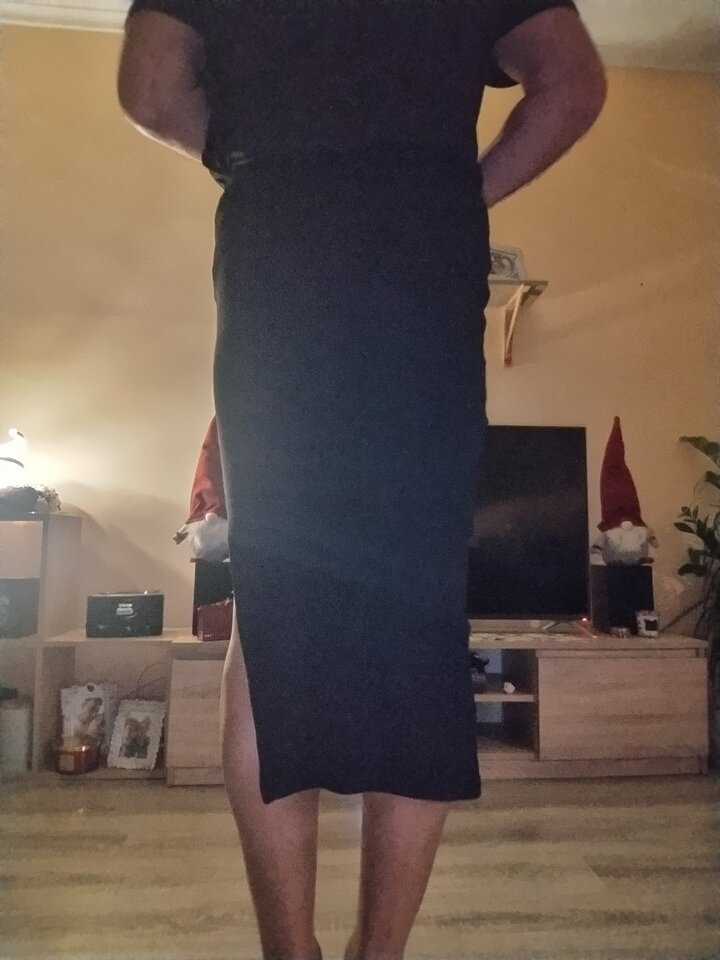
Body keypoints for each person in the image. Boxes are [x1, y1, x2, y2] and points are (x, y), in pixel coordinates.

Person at [118, 2, 606, 958]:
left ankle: (290, 953)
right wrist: (453, 193)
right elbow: (571, 83)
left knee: (274, 613)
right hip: (418, 255)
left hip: (281, 251)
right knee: (419, 614)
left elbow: (150, 88)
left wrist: (259, 159)